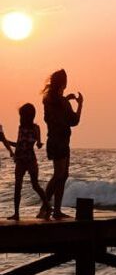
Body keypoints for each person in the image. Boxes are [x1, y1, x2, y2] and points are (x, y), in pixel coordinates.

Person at [42, 69, 83, 220]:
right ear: (63, 83)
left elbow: (56, 112)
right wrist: (80, 104)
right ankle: (45, 208)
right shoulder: (61, 101)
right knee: (59, 175)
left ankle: (54, 210)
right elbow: (74, 121)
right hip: (60, 142)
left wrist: (66, 99)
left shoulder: (50, 99)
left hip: (55, 141)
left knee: (62, 175)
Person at [7, 104, 50, 221]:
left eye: (22, 115)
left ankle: (48, 207)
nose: (20, 118)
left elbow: (38, 143)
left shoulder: (35, 128)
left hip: (30, 159)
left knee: (35, 185)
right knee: (17, 186)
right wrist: (5, 141)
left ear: (28, 116)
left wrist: (39, 143)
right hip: (20, 160)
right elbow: (18, 144)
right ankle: (16, 213)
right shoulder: (20, 128)